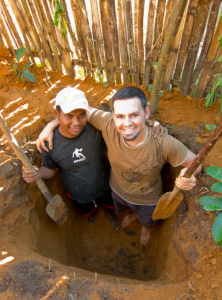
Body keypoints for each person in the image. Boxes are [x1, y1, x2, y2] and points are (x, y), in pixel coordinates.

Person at [37, 86, 201, 244]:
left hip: (147, 198)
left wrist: (187, 176)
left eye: (135, 115)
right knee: (121, 209)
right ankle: (127, 215)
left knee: (148, 218)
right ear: (113, 116)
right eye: (120, 116)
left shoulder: (164, 143)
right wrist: (50, 125)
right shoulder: (108, 125)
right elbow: (78, 112)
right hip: (116, 190)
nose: (127, 123)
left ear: (146, 113)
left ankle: (145, 228)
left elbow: (196, 164)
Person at [22, 87, 116, 225]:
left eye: (81, 116)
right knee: (87, 210)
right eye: (69, 116)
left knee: (110, 204)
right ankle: (92, 214)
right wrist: (36, 173)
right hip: (79, 194)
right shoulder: (50, 143)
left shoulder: (96, 130)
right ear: (57, 114)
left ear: (87, 114)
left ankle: (109, 212)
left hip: (105, 186)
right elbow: (50, 169)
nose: (76, 123)